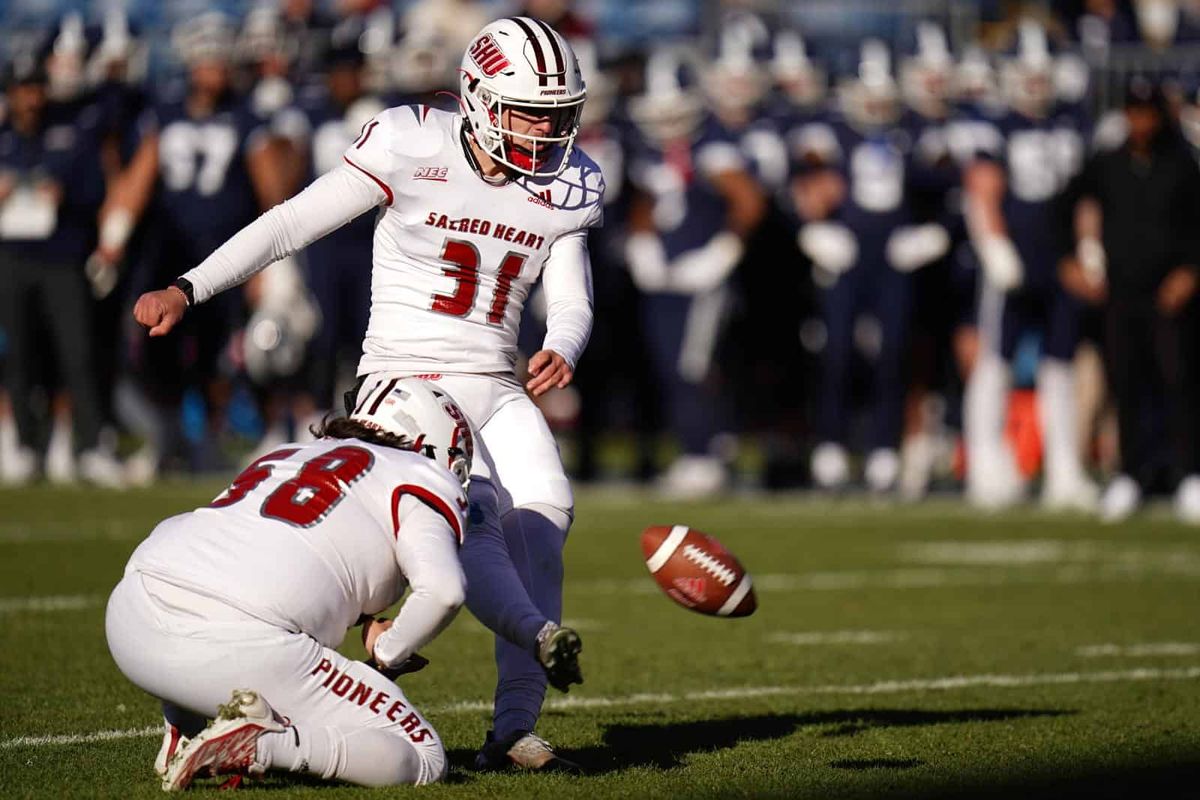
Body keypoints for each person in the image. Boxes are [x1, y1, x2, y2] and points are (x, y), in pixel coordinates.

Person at [129, 17, 602, 771]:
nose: (547, 132)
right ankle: (270, 684)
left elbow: (572, 297)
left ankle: (513, 727)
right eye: (528, 113)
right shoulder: (411, 141)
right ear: (478, 98)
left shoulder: (570, 179)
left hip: (497, 380)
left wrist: (563, 345)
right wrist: (191, 287)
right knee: (459, 532)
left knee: (546, 521)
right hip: (403, 381)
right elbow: (292, 223)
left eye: (557, 114)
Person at [106, 378, 471, 789]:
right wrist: (389, 652)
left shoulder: (292, 452)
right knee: (426, 756)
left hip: (130, 615)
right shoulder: (419, 474)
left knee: (226, 577)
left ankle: (186, 726)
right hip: (235, 640)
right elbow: (444, 590)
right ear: (436, 446)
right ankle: (263, 746)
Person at [1060, 78, 1200, 523]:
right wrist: (1072, 262)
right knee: (1126, 384)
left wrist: (1190, 272)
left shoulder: (1182, 165)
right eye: (1133, 113)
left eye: (1147, 113)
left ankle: (1187, 475)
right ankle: (1130, 474)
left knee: (1179, 383)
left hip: (1171, 296)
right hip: (1121, 293)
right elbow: (1063, 207)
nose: (1140, 122)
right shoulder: (1107, 163)